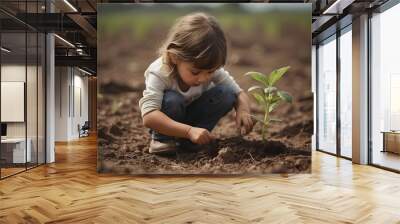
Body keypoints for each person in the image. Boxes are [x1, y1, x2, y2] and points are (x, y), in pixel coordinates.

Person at [139, 12, 254, 155]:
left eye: (210, 72)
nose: (203, 78)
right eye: (195, 72)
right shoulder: (159, 72)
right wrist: (188, 130)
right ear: (174, 57)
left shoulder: (206, 68)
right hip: (166, 122)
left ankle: (192, 142)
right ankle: (162, 140)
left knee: (226, 94)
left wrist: (243, 110)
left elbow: (239, 93)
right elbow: (149, 116)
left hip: (191, 120)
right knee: (172, 100)